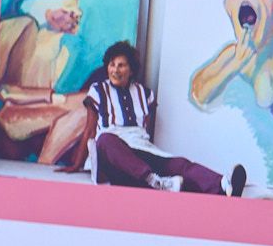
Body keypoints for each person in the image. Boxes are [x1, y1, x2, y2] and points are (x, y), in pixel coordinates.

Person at [84, 40, 241, 196]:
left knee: (179, 164)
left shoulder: (144, 94)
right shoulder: (98, 90)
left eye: (121, 65)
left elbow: (145, 128)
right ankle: (153, 180)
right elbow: (89, 129)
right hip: (112, 157)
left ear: (131, 70)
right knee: (105, 139)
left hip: (139, 148)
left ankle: (222, 185)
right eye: (112, 65)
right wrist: (75, 164)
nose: (115, 70)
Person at [0, 0, 95, 169]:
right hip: (11, 116)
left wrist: (59, 99)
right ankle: (45, 166)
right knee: (85, 106)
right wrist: (53, 98)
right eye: (68, 9)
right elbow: (3, 91)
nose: (77, 14)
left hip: (37, 113)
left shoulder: (62, 52)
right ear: (47, 11)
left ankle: (50, 164)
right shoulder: (23, 26)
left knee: (91, 104)